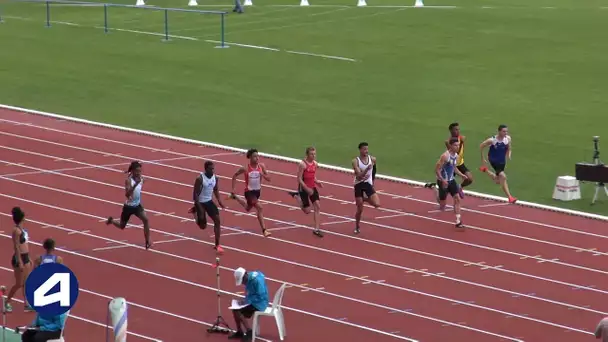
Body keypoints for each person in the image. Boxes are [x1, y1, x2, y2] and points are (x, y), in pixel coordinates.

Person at [106, 161, 152, 249]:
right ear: (133, 171)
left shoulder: (140, 178)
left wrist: (141, 180)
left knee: (146, 220)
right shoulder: (128, 181)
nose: (139, 173)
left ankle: (147, 241)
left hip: (137, 206)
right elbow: (127, 195)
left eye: (140, 171)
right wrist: (135, 185)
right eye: (137, 171)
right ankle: (111, 221)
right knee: (122, 226)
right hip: (128, 207)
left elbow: (143, 180)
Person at [229, 149, 272, 237]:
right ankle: (264, 230)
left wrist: (262, 174)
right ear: (250, 158)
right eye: (254, 156)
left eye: (257, 156)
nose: (257, 158)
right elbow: (235, 175)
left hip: (257, 192)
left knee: (248, 208)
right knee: (259, 208)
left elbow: (269, 179)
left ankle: (235, 197)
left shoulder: (261, 166)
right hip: (249, 192)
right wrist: (233, 188)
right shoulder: (245, 168)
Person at [189, 161, 226, 254]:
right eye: (211, 169)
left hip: (209, 201)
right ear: (206, 169)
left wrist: (220, 201)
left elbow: (216, 189)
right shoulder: (200, 179)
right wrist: (197, 205)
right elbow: (195, 194)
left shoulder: (215, 178)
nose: (212, 170)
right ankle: (195, 213)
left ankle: (217, 245)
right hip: (200, 202)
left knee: (217, 220)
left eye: (213, 168)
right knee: (203, 226)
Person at [287, 147, 324, 237]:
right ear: (307, 155)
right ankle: (297, 197)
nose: (314, 156)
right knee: (307, 211)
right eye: (312, 154)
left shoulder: (315, 164)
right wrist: (306, 188)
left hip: (312, 187)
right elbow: (299, 179)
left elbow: (312, 176)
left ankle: (316, 229)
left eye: (315, 154)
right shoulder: (302, 164)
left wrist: (317, 182)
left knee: (317, 206)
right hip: (303, 188)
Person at [5, 207, 34, 313]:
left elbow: (24, 245)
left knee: (26, 282)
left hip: (25, 257)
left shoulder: (23, 230)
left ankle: (26, 304)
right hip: (19, 259)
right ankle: (7, 301)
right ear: (22, 218)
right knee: (19, 283)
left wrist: (28, 257)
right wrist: (20, 261)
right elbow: (16, 247)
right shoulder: (16, 231)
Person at [479, 125, 517, 204]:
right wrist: (482, 158)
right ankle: (510, 197)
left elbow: (509, 148)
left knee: (498, 180)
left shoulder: (508, 139)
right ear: (499, 131)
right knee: (503, 176)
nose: (505, 133)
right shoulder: (492, 140)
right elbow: (481, 146)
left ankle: (485, 170)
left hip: (502, 161)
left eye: (506, 131)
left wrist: (509, 154)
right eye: (503, 131)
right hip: (493, 160)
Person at [228, 267, 269, 340]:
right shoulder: (250, 277)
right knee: (235, 309)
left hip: (260, 303)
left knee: (238, 311)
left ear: (245, 275)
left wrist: (247, 301)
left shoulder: (256, 281)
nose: (243, 283)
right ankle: (240, 331)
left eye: (243, 281)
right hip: (253, 301)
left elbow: (261, 296)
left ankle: (249, 332)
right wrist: (246, 300)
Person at [435, 138, 468, 228]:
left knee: (457, 198)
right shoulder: (445, 156)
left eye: (458, 145)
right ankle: (435, 189)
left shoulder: (456, 156)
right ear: (450, 146)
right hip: (443, 181)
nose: (457, 147)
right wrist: (442, 180)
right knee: (442, 205)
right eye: (455, 145)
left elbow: (454, 168)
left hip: (451, 180)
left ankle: (458, 220)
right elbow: (437, 169)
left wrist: (462, 175)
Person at [352, 142, 380, 234]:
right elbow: (359, 176)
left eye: (367, 149)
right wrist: (367, 169)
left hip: (368, 184)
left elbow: (374, 170)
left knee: (377, 204)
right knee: (360, 209)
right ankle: (357, 226)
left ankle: (364, 199)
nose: (366, 151)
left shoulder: (372, 159)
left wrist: (373, 181)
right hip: (359, 184)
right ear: (360, 150)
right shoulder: (355, 161)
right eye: (364, 149)